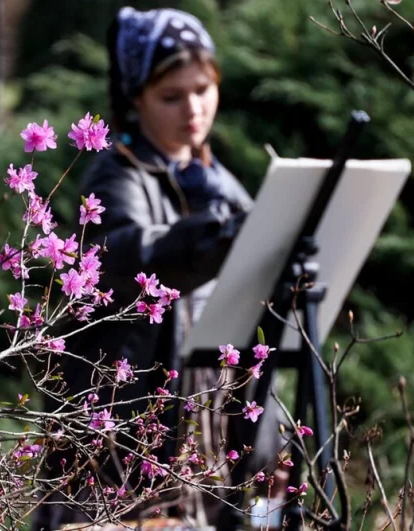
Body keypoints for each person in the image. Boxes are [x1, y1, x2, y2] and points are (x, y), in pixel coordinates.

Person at [33, 7, 284, 530]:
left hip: (209, 444)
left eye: (204, 89)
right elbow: (129, 252)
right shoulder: (117, 177)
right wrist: (218, 231)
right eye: (172, 96)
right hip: (128, 451)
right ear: (135, 99)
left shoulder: (218, 182)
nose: (193, 109)